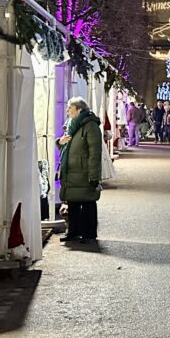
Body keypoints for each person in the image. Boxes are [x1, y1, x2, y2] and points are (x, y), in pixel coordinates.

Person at [56, 97, 102, 244]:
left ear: (79, 110)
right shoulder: (70, 125)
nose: (67, 110)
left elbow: (95, 153)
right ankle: (73, 231)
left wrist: (94, 175)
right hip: (71, 171)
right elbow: (65, 145)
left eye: (70, 107)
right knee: (73, 203)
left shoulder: (90, 126)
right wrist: (59, 142)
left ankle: (89, 234)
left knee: (88, 203)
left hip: (84, 172)